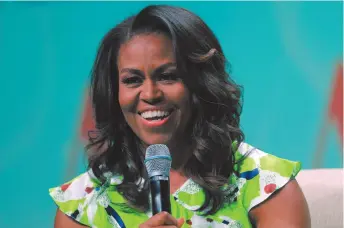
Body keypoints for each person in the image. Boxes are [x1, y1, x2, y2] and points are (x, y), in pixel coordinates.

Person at [49, 5, 311, 228]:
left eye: (168, 76)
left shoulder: (265, 184)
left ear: (202, 83)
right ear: (114, 93)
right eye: (132, 80)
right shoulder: (81, 204)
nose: (150, 93)